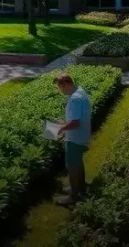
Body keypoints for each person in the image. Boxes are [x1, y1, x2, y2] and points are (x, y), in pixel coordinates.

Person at [55, 73, 91, 205]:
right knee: (78, 163)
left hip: (74, 138)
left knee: (72, 166)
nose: (59, 90)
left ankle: (73, 196)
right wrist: (65, 123)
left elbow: (75, 123)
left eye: (59, 87)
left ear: (66, 85)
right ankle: (80, 187)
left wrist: (60, 128)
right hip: (82, 135)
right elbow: (77, 119)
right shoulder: (80, 92)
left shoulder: (74, 100)